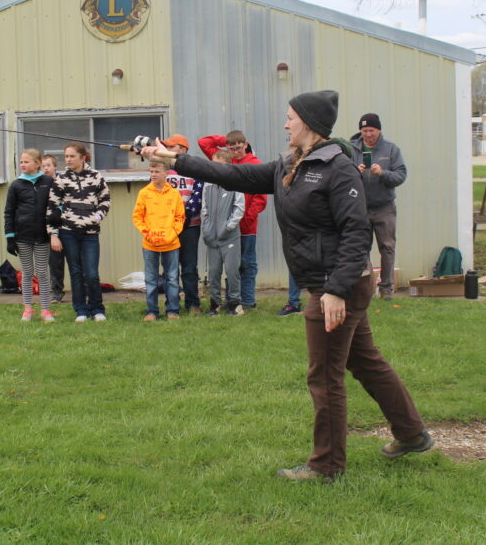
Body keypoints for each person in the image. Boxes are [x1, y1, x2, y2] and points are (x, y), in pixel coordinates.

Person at [142, 90, 432, 483]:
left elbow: (356, 231)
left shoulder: (337, 168)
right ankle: (412, 434)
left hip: (337, 286)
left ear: (309, 123)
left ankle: (326, 466)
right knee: (366, 362)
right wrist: (175, 159)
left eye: (290, 118)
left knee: (324, 377)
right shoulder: (289, 165)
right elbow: (235, 174)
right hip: (330, 284)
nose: (285, 124)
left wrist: (335, 291)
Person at [198, 130, 266, 309]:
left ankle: (248, 301)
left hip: (246, 226)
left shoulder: (255, 164)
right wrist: (225, 140)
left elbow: (260, 197)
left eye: (239, 147)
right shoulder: (224, 162)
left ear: (245, 144)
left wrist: (248, 218)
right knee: (230, 266)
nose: (236, 151)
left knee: (247, 264)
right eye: (232, 147)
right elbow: (203, 142)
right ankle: (231, 301)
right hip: (222, 227)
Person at [48, 142, 111, 323]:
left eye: (72, 156)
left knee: (91, 273)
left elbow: (105, 200)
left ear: (83, 157)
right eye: (66, 156)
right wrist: (53, 234)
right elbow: (51, 208)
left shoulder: (96, 176)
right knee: (76, 272)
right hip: (68, 233)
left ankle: (97, 309)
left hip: (90, 233)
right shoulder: (60, 179)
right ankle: (81, 311)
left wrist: (97, 217)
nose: (68, 160)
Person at [350, 113, 407, 300]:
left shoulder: (391, 150)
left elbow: (401, 175)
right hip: (360, 207)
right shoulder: (351, 150)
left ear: (379, 130)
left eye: (371, 130)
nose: (368, 134)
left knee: (387, 247)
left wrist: (382, 173)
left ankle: (386, 288)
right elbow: (341, 177)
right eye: (364, 131)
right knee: (361, 248)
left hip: (385, 207)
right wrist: (354, 173)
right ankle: (366, 287)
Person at [5, 149, 56, 322]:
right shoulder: (16, 185)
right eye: (21, 162)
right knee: (27, 273)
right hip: (22, 237)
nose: (22, 165)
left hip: (42, 236)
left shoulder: (48, 182)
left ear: (37, 163)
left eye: (26, 161)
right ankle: (27, 309)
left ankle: (45, 310)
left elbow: (57, 204)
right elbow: (9, 212)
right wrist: (10, 237)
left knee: (42, 272)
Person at [132, 160, 186, 320]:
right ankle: (152, 311)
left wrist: (172, 234)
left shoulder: (174, 194)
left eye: (157, 171)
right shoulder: (144, 193)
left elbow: (180, 217)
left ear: (166, 173)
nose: (153, 175)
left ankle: (173, 310)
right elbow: (137, 217)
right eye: (151, 172)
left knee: (172, 278)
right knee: (150, 279)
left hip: (171, 243)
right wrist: (147, 234)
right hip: (150, 244)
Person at [163, 134, 204, 315]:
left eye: (170, 147)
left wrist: (185, 216)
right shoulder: (163, 169)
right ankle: (171, 305)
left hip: (190, 226)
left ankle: (192, 303)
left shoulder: (195, 169)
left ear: (182, 149)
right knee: (170, 268)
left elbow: (198, 194)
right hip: (167, 226)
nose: (167, 150)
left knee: (189, 267)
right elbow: (156, 194)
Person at [200, 149, 245, 315]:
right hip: (212, 237)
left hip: (229, 236)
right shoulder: (208, 184)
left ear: (227, 165)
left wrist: (228, 227)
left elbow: (239, 208)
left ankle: (235, 304)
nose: (214, 168)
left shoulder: (235, 183)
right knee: (213, 273)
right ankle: (215, 305)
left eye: (218, 164)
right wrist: (206, 229)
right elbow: (204, 209)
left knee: (232, 271)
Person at [41, 154, 66, 303]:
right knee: (55, 262)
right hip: (51, 229)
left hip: (68, 226)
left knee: (76, 262)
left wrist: (61, 209)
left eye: (48, 165)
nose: (46, 169)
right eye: (43, 166)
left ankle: (82, 291)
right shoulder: (42, 184)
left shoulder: (63, 181)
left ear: (55, 167)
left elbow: (70, 200)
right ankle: (57, 291)